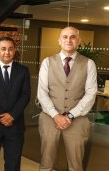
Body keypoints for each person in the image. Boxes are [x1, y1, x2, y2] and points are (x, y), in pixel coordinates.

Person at [37, 26, 97, 171]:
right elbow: (42, 93)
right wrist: (55, 115)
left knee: (76, 166)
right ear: (59, 40)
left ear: (79, 40)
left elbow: (91, 93)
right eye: (65, 37)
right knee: (46, 163)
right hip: (49, 118)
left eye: (72, 37)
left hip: (78, 120)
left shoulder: (89, 64)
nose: (68, 40)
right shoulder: (47, 62)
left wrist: (70, 115)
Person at [0, 37, 31, 171]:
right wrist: (0, 116)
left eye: (10, 49)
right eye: (3, 49)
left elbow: (25, 95)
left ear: (15, 50)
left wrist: (12, 115)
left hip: (15, 126)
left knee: (13, 164)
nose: (7, 52)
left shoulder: (23, 70)